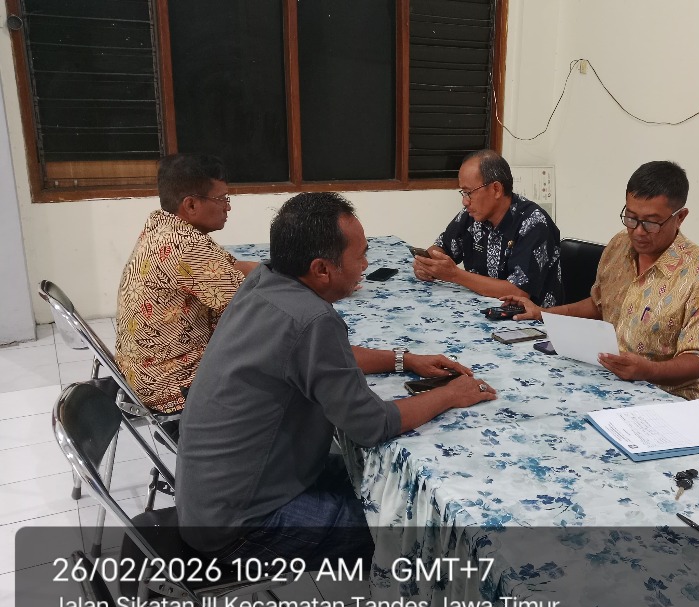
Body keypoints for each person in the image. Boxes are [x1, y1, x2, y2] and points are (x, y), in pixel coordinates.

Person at [176, 192, 496, 567]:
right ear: (322, 269)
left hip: (212, 500)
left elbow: (320, 356)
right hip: (243, 526)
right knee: (414, 533)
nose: (365, 265)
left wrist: (404, 359)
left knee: (385, 483)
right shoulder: (313, 320)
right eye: (359, 256)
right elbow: (372, 425)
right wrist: (452, 395)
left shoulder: (265, 280)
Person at [501, 160, 699, 401]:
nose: (638, 231)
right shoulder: (620, 245)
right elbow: (600, 304)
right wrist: (543, 313)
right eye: (631, 218)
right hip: (605, 380)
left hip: (665, 399)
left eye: (651, 223)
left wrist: (648, 371)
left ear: (680, 217)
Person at [115, 154, 258, 414]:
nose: (227, 207)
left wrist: (285, 268)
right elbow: (253, 305)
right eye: (222, 199)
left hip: (142, 371)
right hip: (170, 381)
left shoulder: (163, 225)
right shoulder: (186, 247)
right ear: (191, 204)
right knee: (280, 356)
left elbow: (234, 267)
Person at [412, 149, 563, 306]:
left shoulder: (534, 223)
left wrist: (455, 275)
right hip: (482, 308)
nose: (465, 201)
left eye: (469, 192)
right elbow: (442, 247)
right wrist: (427, 264)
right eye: (463, 193)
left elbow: (518, 291)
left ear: (496, 189)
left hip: (529, 317)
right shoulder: (472, 215)